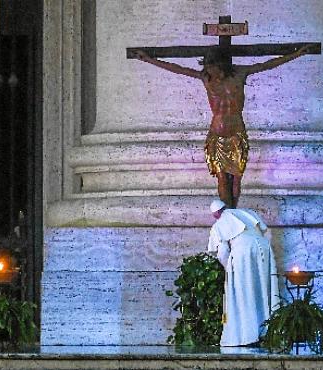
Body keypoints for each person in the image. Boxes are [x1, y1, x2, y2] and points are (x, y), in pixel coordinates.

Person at [131, 46, 312, 208]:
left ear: (222, 64)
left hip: (236, 134)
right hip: (217, 134)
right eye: (208, 67)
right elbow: (177, 69)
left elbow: (267, 65)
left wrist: (296, 54)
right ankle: (227, 218)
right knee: (222, 179)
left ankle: (233, 214)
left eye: (213, 67)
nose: (210, 71)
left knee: (236, 180)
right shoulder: (206, 77)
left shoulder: (240, 73)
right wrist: (148, 59)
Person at [207, 199, 279, 346]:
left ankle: (248, 335)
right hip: (264, 248)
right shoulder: (247, 212)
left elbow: (222, 253)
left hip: (243, 253)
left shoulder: (220, 224)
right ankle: (267, 331)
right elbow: (266, 232)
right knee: (264, 290)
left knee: (244, 293)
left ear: (215, 214)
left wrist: (230, 269)